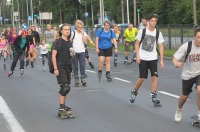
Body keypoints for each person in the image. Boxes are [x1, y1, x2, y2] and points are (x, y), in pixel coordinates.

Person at [129, 14, 164, 105]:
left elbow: (160, 46)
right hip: (143, 57)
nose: (153, 22)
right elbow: (137, 43)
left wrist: (161, 60)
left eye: (155, 21)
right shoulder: (142, 31)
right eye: (152, 21)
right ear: (148, 21)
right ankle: (135, 91)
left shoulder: (158, 33)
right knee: (142, 77)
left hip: (153, 58)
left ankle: (154, 95)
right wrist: (137, 55)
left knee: (154, 77)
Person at [173, 27, 200, 122]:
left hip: (199, 73)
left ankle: (199, 114)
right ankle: (179, 110)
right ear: (194, 37)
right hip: (188, 74)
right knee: (184, 96)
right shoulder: (187, 46)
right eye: (198, 37)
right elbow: (175, 59)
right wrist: (176, 63)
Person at [52, 23, 74, 116]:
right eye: (65, 29)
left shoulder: (69, 42)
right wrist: (55, 68)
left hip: (68, 66)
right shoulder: (58, 41)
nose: (67, 31)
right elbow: (53, 56)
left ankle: (64, 105)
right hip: (60, 66)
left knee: (67, 87)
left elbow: (71, 55)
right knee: (64, 87)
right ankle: (61, 106)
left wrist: (73, 53)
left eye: (68, 29)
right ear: (61, 31)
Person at [71, 20, 88, 87]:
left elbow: (86, 42)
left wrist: (83, 34)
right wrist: (72, 48)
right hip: (75, 51)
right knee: (75, 65)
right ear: (76, 27)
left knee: (82, 65)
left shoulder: (83, 33)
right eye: (79, 27)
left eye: (82, 27)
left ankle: (83, 78)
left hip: (82, 51)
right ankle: (76, 78)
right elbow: (70, 41)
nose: (81, 28)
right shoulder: (73, 33)